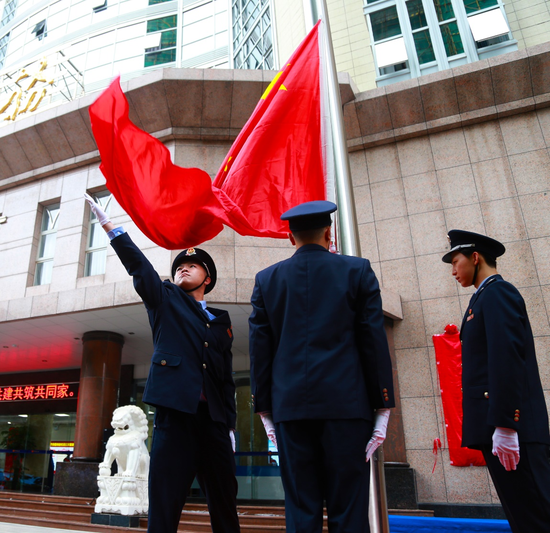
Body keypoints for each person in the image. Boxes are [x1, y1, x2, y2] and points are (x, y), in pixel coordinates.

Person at [84, 194, 240, 533]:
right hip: (176, 418)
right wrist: (112, 229)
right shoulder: (165, 300)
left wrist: (229, 425)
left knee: (225, 503)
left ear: (207, 279)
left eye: (193, 266)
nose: (184, 267)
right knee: (166, 503)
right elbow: (140, 268)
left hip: (213, 422)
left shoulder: (220, 322)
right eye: (179, 266)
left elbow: (225, 378)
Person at [249, 200, 395, 533]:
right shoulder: (357, 270)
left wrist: (266, 411)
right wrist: (383, 408)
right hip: (347, 408)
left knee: (301, 508)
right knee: (349, 509)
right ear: (329, 234)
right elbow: (373, 341)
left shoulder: (267, 279)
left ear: (290, 238)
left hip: (291, 410)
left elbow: (261, 350)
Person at [442, 229, 550, 533]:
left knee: (537, 515)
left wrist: (505, 424)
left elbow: (507, 358)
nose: (453, 271)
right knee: (524, 517)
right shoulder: (483, 298)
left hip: (515, 431)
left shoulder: (498, 293)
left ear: (475, 258)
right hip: (502, 430)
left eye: (455, 261)